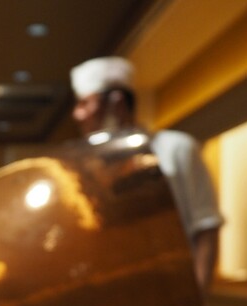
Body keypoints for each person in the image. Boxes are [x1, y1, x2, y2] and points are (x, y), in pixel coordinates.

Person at [69, 56, 224, 290]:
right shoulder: (88, 164)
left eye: (85, 103)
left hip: (174, 291)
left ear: (117, 102)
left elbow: (205, 227)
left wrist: (196, 297)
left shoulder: (175, 148)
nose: (78, 115)